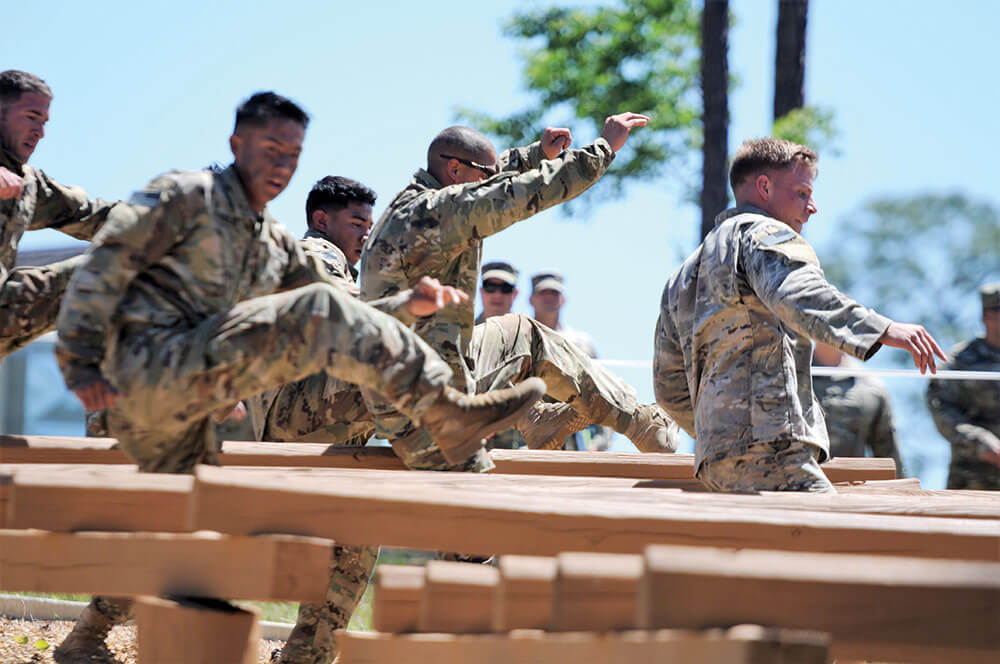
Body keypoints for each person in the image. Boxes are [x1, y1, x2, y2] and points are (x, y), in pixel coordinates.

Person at [51, 91, 544, 664]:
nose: (280, 169)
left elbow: (337, 306)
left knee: (350, 522)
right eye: (271, 154)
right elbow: (95, 231)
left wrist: (408, 303)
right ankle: (90, 633)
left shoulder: (273, 249)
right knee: (169, 532)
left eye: (291, 157)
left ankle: (307, 652)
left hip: (234, 411)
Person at [361, 115, 680, 471]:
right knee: (528, 338)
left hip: (414, 385)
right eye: (484, 175)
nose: (489, 181)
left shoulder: (415, 206)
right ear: (454, 170)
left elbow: (493, 182)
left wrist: (536, 154)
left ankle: (539, 420)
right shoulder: (435, 214)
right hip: (427, 403)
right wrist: (602, 149)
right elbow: (517, 195)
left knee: (518, 333)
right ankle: (640, 422)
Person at [654, 137, 945, 494]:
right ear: (764, 187)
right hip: (774, 449)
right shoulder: (764, 232)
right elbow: (799, 294)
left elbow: (668, 386)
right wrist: (883, 328)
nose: (812, 207)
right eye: (803, 192)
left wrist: (721, 428)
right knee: (832, 543)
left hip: (716, 461)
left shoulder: (685, 273)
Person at [0, 70, 115, 359]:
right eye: (30, 117)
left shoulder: (26, 184)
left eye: (44, 121)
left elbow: (92, 215)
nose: (40, 132)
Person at [926, 282, 1000, 490]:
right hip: (973, 482)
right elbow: (940, 407)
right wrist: (979, 441)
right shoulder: (959, 362)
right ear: (988, 316)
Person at [529, 269, 612, 450]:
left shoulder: (581, 345)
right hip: (524, 439)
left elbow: (602, 396)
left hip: (571, 442)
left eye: (555, 293)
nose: (549, 298)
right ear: (531, 299)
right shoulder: (520, 338)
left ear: (563, 299)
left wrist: (600, 442)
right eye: (543, 293)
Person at [812, 341, 905, 477]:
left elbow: (888, 453)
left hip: (851, 490)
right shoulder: (786, 377)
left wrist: (902, 495)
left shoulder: (871, 387)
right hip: (792, 490)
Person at [476, 260, 518, 324]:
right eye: (490, 287)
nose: (498, 295)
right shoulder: (461, 331)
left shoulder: (528, 332)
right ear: (481, 292)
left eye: (505, 288)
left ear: (515, 294)